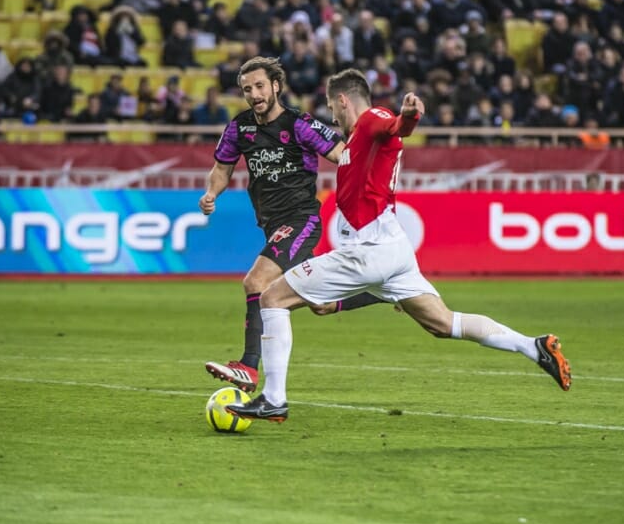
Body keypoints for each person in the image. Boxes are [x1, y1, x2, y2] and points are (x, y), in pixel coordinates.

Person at [226, 69, 572, 422]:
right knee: (443, 323)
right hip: (394, 251)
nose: (332, 117)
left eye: (333, 107)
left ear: (344, 100)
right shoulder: (359, 139)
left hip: (367, 250)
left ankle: (273, 398)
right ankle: (534, 346)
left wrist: (409, 116)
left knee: (272, 297)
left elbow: (394, 127)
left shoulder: (371, 119)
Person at [200, 57, 386, 393]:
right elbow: (222, 167)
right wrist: (211, 192)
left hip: (300, 219)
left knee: (256, 281)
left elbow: (342, 154)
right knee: (320, 303)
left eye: (259, 86)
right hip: (272, 225)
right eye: (246, 89)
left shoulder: (299, 124)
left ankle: (248, 367)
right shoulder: (239, 128)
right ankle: (384, 292)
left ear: (275, 86)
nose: (254, 94)